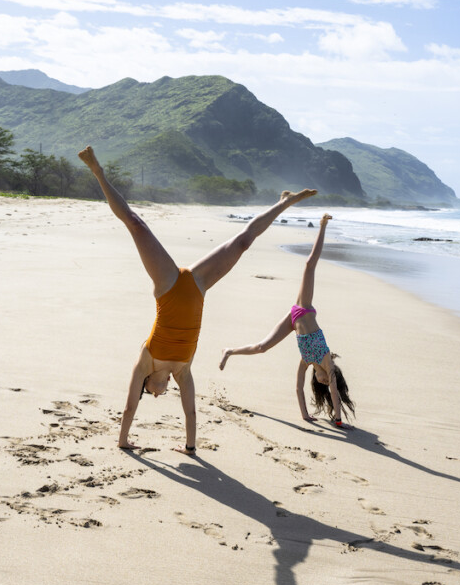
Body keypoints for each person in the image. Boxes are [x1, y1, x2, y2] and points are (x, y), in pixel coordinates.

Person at [77, 146, 317, 455]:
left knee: (136, 223)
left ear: (147, 382)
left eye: (151, 393)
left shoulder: (144, 361)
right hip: (197, 286)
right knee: (243, 243)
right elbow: (190, 413)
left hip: (167, 285)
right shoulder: (183, 373)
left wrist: (123, 441)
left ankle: (98, 171)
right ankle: (283, 202)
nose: (157, 395)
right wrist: (190, 448)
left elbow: (127, 409)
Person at [219, 214, 355, 428]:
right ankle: (322, 225)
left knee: (262, 347)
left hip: (293, 321)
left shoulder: (306, 361)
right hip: (304, 308)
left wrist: (304, 415)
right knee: (310, 264)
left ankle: (230, 351)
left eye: (324, 383)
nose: (325, 382)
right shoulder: (326, 360)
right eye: (328, 380)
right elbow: (335, 393)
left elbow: (299, 389)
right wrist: (338, 421)